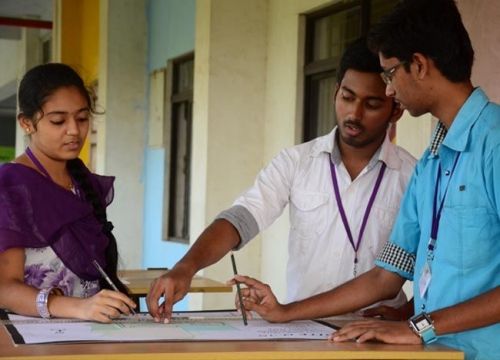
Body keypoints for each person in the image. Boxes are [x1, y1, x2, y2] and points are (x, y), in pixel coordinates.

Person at [230, 1, 500, 359]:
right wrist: (285, 311)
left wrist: (418, 325)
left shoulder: (494, 143)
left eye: (389, 75)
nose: (389, 90)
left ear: (418, 65)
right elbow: (385, 277)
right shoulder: (431, 163)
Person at [147, 38, 417, 322]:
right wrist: (186, 266)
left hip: (378, 335)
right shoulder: (296, 162)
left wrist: (406, 313)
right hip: (302, 329)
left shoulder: (413, 175)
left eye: (372, 104)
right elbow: (241, 218)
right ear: (335, 93)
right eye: (347, 98)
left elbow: (438, 263)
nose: (354, 113)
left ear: (396, 109)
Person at [0, 63, 136, 323]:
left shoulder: (83, 181)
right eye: (58, 121)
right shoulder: (11, 185)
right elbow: (4, 288)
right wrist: (78, 308)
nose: (74, 130)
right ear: (27, 123)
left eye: (82, 118)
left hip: (92, 332)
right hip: (32, 338)